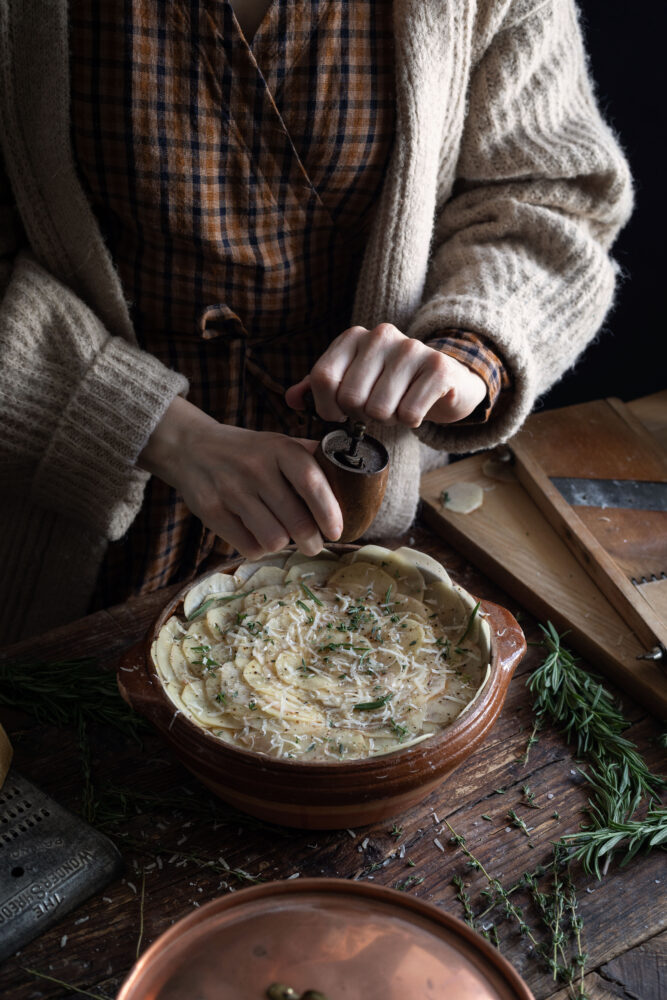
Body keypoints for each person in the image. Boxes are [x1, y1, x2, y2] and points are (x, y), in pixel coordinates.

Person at [0, 0, 632, 644]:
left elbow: (550, 198)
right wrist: (161, 433)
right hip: (78, 516)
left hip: (389, 511)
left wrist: (473, 348)